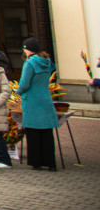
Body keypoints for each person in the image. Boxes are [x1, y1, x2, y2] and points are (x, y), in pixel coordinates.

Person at [19, 37, 59, 171]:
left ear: (27, 50)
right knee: (47, 132)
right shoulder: (47, 61)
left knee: (33, 132)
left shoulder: (29, 63)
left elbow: (24, 83)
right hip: (45, 98)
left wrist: (18, 92)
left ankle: (36, 161)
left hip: (32, 100)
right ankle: (50, 162)